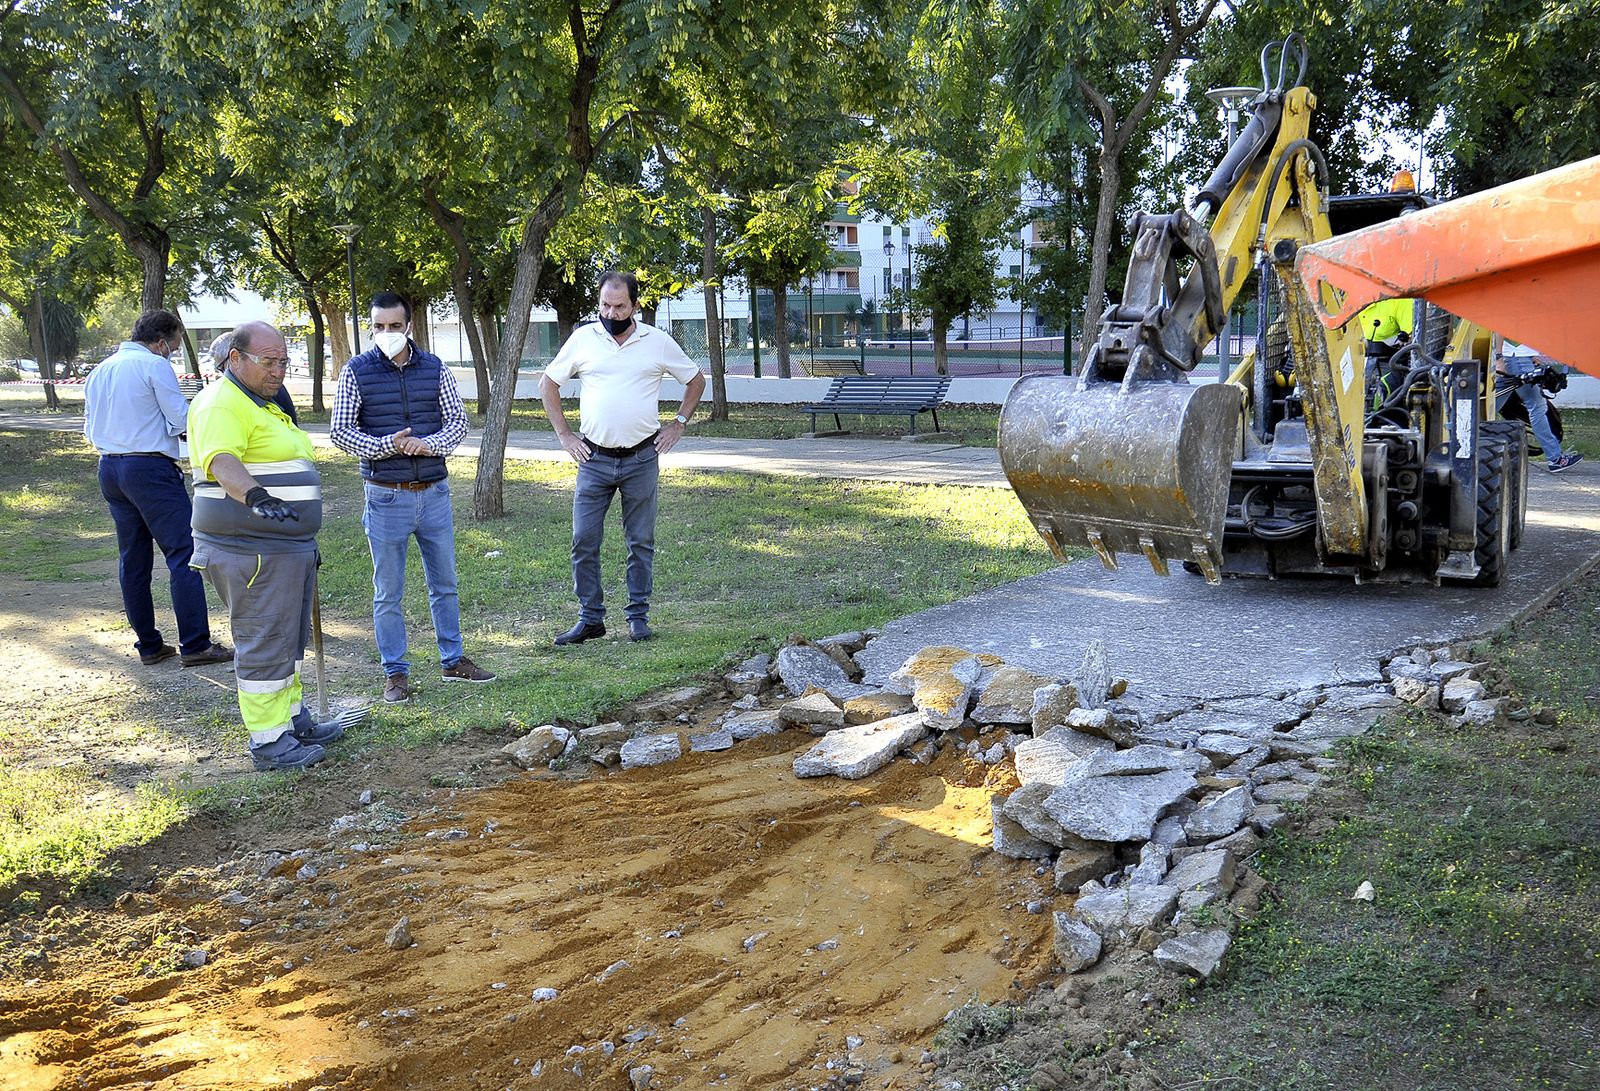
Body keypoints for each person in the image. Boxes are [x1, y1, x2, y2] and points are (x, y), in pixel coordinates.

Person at [187, 321, 349, 771]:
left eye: (283, 361)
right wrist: (255, 496)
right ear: (234, 358)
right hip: (251, 549)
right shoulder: (222, 402)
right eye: (268, 361)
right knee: (264, 641)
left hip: (282, 548)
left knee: (286, 642)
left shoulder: (263, 402)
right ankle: (269, 741)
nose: (278, 370)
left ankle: (291, 719)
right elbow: (221, 459)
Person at [330, 291, 495, 704]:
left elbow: (458, 421)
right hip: (386, 496)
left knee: (445, 584)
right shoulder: (356, 371)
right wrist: (389, 444)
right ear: (372, 327)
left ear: (409, 326)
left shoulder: (435, 368)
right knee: (388, 591)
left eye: (394, 326)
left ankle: (453, 660)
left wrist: (429, 444)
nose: (387, 333)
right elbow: (340, 432)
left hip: (434, 493)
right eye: (379, 326)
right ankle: (395, 673)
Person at [540, 270, 706, 645]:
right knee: (583, 539)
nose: (611, 313)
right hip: (593, 459)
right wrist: (565, 435)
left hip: (641, 459)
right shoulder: (583, 339)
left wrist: (678, 423)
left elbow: (696, 380)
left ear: (635, 305)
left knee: (640, 540)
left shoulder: (657, 342)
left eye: (619, 306)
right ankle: (591, 619)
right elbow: (548, 383)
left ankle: (638, 617)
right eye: (604, 305)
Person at [82, 309, 232, 668]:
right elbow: (181, 418)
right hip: (149, 466)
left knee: (133, 559)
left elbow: (88, 427)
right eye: (176, 344)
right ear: (162, 342)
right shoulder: (153, 365)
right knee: (184, 553)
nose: (174, 351)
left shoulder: (100, 369)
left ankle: (149, 645)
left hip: (110, 467)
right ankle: (195, 643)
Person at [1496, 341, 1583, 472]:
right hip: (1515, 357)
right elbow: (1499, 327)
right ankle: (1555, 458)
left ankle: (1555, 457)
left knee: (1490, 404)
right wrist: (1499, 357)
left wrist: (1529, 356)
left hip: (1517, 357)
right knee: (1537, 407)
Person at [210, 332, 298, 422]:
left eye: (222, 367)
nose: (277, 374)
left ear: (235, 358)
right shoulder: (219, 401)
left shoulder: (269, 387)